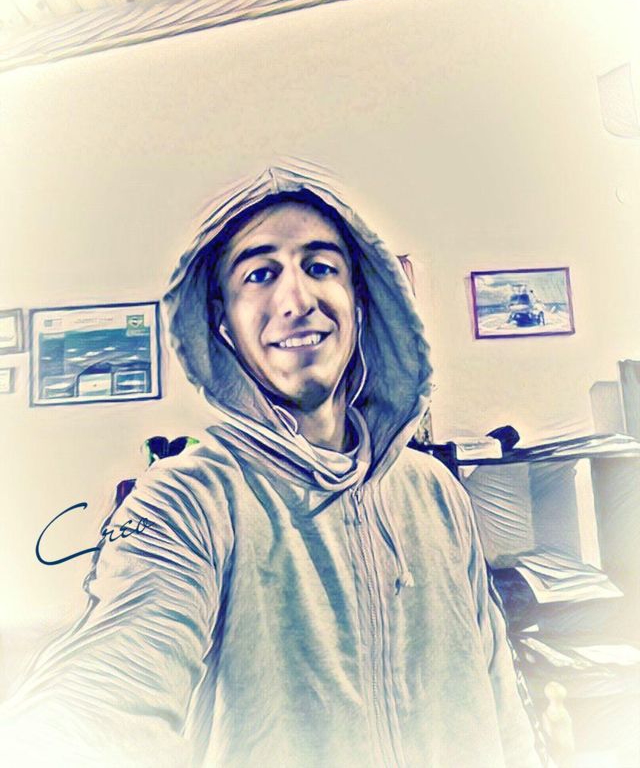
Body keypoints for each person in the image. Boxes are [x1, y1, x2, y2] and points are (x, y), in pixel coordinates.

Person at [2, 161, 542, 767]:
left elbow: (502, 705)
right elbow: (103, 687)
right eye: (259, 274)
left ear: (361, 302)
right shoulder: (188, 498)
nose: (297, 299)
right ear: (223, 323)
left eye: (321, 267)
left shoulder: (436, 491)